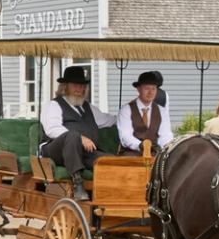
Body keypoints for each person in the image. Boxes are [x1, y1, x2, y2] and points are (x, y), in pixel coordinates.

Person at [38, 66, 108, 199]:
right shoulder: (54, 105)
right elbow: (52, 129)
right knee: (72, 135)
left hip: (83, 152)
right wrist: (81, 138)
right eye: (75, 85)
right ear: (65, 86)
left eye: (82, 86)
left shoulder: (88, 108)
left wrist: (131, 111)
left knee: (111, 161)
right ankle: (78, 183)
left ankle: (112, 196)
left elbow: (109, 120)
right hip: (55, 151)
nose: (79, 89)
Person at [115, 71, 174, 155]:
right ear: (138, 89)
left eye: (153, 88)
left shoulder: (162, 111)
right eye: (147, 88)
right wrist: (141, 146)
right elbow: (125, 136)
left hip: (155, 153)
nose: (150, 92)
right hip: (132, 153)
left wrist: (162, 148)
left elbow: (166, 134)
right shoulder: (126, 110)